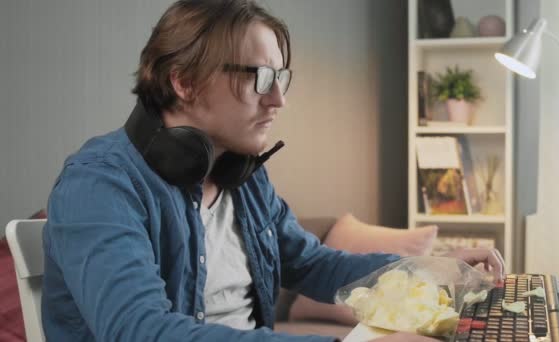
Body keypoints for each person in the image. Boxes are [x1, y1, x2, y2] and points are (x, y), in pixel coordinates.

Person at [41, 1, 505, 341]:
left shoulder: (243, 178)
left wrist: (430, 269)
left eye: (280, 79)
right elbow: (139, 331)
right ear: (184, 81)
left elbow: (314, 265)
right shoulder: (100, 184)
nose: (278, 100)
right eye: (261, 78)